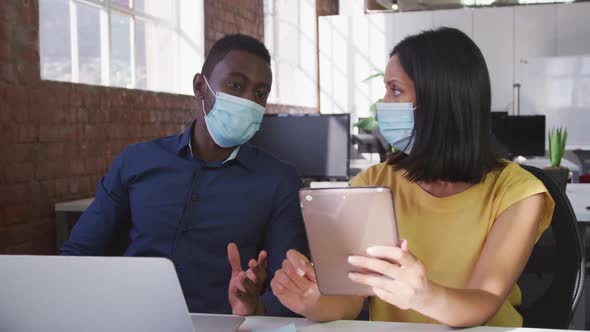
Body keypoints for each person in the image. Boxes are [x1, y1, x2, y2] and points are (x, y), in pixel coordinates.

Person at [269, 27, 554, 327]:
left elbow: (483, 302)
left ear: (439, 99)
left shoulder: (518, 191)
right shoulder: (372, 183)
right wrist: (312, 299)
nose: (383, 104)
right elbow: (350, 301)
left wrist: (423, 295)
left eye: (395, 89)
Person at [60, 34, 309, 317]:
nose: (249, 101)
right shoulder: (137, 161)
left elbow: (291, 289)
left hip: (224, 325)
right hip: (130, 319)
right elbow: (77, 255)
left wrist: (256, 307)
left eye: (260, 93)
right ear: (200, 87)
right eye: (236, 86)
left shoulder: (279, 180)